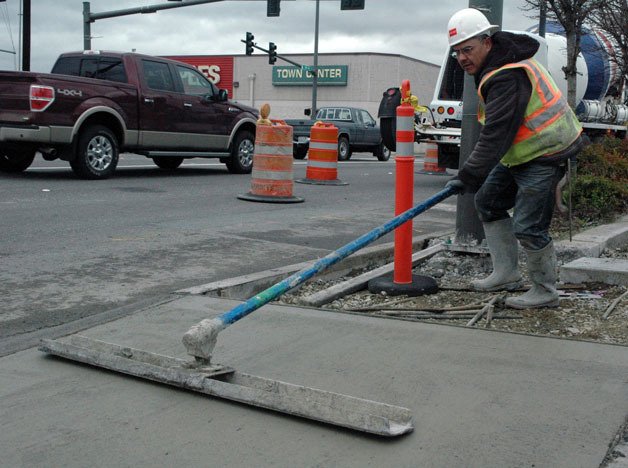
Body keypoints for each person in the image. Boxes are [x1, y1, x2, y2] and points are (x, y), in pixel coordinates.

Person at [443, 8, 585, 309]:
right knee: (488, 202)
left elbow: (496, 134)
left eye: (467, 49)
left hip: (547, 152)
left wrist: (468, 176)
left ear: (487, 42)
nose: (463, 58)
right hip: (523, 154)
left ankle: (545, 291)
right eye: (457, 53)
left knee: (529, 226)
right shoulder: (497, 66)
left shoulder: (508, 75)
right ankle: (507, 274)